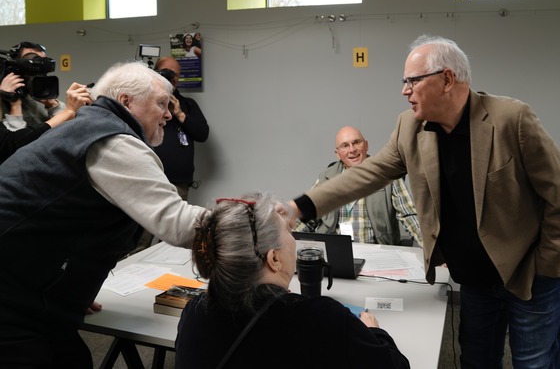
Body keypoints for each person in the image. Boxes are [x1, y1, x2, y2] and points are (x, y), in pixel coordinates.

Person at [290, 34, 560, 369]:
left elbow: (556, 196)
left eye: (412, 81)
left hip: (528, 275)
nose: (405, 90)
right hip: (474, 280)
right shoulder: (410, 126)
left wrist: (548, 263)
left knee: (534, 362)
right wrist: (299, 206)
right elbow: (368, 174)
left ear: (447, 79)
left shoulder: (512, 119)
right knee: (477, 360)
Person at [0, 61, 207, 369]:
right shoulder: (110, 138)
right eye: (161, 103)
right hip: (13, 304)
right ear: (125, 101)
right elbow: (178, 223)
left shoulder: (88, 126)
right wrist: (272, 219)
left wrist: (72, 286)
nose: (167, 114)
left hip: (30, 292)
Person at [175, 192, 410, 368]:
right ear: (274, 259)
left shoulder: (194, 312)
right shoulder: (321, 317)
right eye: (288, 232)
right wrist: (374, 332)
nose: (294, 238)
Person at [131, 56, 210, 253]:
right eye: (166, 72)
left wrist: (179, 113)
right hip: (149, 179)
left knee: (174, 239)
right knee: (141, 239)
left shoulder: (187, 104)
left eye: (175, 75)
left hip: (179, 182)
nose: (171, 78)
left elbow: (202, 134)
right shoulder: (144, 102)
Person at [297, 126, 422, 246]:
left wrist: (432, 248)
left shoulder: (387, 174)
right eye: (345, 146)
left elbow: (409, 215)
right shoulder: (326, 177)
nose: (352, 150)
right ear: (337, 154)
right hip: (334, 250)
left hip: (376, 252)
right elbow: (308, 217)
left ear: (366, 145)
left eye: (356, 142)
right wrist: (288, 241)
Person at [0, 73, 92, 163]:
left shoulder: (45, 103)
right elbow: (13, 147)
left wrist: (53, 105)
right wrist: (15, 105)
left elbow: (68, 133)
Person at [2, 41, 67, 127]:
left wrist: (53, 104)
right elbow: (14, 139)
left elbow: (68, 130)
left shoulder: (41, 96)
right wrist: (15, 105)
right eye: (32, 58)